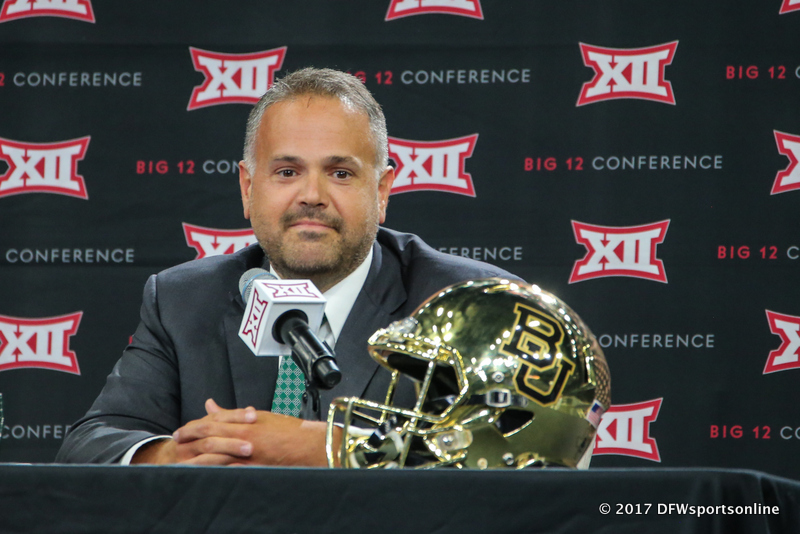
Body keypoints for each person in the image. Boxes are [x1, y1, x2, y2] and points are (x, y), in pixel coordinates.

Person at [56, 68, 519, 466]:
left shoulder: (474, 306)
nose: (311, 195)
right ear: (247, 188)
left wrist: (328, 448)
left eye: (340, 173)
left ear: (381, 192)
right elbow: (90, 444)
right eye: (287, 172)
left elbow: (523, 451)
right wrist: (175, 455)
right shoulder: (183, 301)